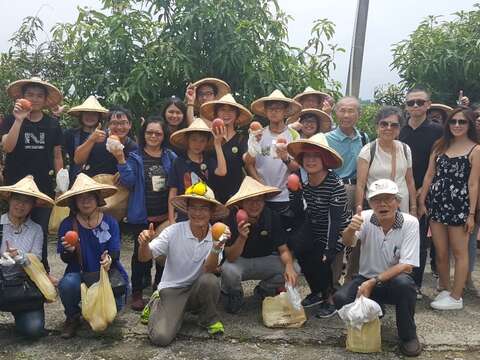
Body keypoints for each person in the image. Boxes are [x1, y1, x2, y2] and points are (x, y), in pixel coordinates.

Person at [334, 179, 422, 357]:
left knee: (405, 285)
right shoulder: (365, 218)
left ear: (397, 201)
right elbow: (348, 242)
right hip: (366, 278)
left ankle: (408, 336)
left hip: (391, 281)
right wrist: (350, 229)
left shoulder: (410, 223)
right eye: (376, 199)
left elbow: (407, 265)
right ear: (370, 203)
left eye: (388, 199)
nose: (382, 204)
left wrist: (374, 282)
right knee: (340, 298)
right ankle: (375, 311)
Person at [137, 184, 229, 346]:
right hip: (172, 290)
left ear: (212, 212)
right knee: (160, 338)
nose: (198, 213)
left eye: (203, 208)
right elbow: (144, 258)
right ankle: (156, 302)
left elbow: (209, 269)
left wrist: (216, 246)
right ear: (187, 210)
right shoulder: (173, 231)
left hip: (196, 288)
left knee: (210, 281)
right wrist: (144, 244)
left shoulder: (216, 235)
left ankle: (208, 318)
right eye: (193, 207)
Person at [418, 107, 480, 310]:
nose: (457, 125)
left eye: (462, 122)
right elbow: (429, 175)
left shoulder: (475, 150)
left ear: (469, 125)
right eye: (453, 121)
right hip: (437, 205)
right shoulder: (440, 145)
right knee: (441, 252)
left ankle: (456, 296)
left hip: (459, 207)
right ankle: (444, 287)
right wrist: (421, 201)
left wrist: (471, 214)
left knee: (460, 253)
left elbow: (473, 184)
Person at [2, 77, 65, 273]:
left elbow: (57, 155)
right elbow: (7, 147)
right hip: (16, 186)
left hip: (42, 187)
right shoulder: (11, 118)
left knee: (40, 230)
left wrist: (61, 183)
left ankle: (41, 271)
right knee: (11, 227)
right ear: (22, 97)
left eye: (39, 95)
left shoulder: (52, 124)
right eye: (30, 94)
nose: (35, 99)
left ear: (46, 100)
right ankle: (8, 271)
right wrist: (20, 119)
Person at [56, 174, 129, 338]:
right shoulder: (67, 225)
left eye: (89, 197)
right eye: (80, 198)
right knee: (67, 284)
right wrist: (70, 251)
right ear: (74, 202)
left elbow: (115, 252)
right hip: (80, 274)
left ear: (98, 199)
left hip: (106, 274)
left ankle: (90, 308)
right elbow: (65, 259)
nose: (85, 201)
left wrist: (108, 259)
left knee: (111, 313)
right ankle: (73, 316)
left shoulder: (110, 222)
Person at [116, 117, 177, 310]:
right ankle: (137, 291)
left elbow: (176, 182)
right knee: (140, 255)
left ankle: (159, 286)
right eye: (149, 132)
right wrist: (121, 162)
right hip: (142, 216)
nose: (153, 136)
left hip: (164, 216)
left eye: (158, 133)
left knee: (161, 254)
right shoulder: (135, 156)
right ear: (144, 134)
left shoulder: (170, 156)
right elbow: (129, 182)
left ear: (163, 136)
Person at [287, 133, 348, 317]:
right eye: (307, 156)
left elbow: (335, 220)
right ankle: (316, 292)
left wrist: (329, 249)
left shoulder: (335, 183)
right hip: (314, 228)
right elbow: (298, 212)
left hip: (336, 232)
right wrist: (295, 193)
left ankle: (330, 298)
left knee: (321, 258)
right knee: (299, 249)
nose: (311, 161)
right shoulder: (303, 180)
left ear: (324, 160)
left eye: (316, 157)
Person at [221, 176, 298, 314]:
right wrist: (242, 237)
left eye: (258, 200)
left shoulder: (271, 216)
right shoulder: (231, 219)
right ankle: (234, 293)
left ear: (264, 201)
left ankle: (265, 289)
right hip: (240, 261)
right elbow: (231, 257)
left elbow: (283, 249)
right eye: (249, 200)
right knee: (228, 270)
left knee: (295, 268)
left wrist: (289, 266)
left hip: (264, 260)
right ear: (241, 203)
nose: (254, 204)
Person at [399, 87, 443, 299]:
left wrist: (421, 193)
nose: (415, 106)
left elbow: (437, 165)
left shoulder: (438, 131)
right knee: (395, 235)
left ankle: (414, 284)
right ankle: (395, 280)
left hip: (425, 192)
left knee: (418, 240)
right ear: (406, 107)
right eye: (411, 103)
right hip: (398, 190)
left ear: (428, 104)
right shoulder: (399, 129)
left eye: (419, 102)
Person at [0, 176, 55, 338]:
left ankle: (21, 315)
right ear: (9, 200)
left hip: (23, 287)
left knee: (33, 329)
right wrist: (8, 259)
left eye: (27, 201)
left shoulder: (36, 230)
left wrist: (18, 257)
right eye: (17, 199)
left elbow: (35, 261)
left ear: (33, 205)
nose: (20, 205)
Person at [326, 96, 369, 283]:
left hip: (358, 189)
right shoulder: (327, 139)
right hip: (335, 188)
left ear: (358, 114)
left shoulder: (364, 138)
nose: (346, 115)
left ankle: (352, 279)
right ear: (336, 113)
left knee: (358, 233)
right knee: (336, 235)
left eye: (351, 111)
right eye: (342, 110)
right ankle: (333, 281)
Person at [245, 90, 301, 224]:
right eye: (271, 108)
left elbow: (297, 167)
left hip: (285, 197)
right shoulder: (259, 134)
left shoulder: (294, 136)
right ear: (266, 111)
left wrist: (285, 158)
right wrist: (261, 185)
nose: (274, 111)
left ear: (285, 111)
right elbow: (249, 163)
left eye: (278, 108)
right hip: (261, 199)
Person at [356, 106, 416, 215]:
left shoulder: (405, 149)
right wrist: (358, 211)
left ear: (399, 129)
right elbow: (360, 185)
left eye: (394, 125)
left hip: (401, 206)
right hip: (377, 205)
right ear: (377, 127)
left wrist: (413, 208)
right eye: (384, 124)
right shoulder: (368, 150)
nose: (389, 128)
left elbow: (410, 181)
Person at [167, 118, 226, 223]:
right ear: (187, 140)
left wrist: (217, 144)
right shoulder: (179, 162)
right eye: (193, 139)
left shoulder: (209, 161)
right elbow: (173, 191)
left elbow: (222, 171)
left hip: (206, 213)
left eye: (202, 140)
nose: (197, 144)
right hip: (185, 213)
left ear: (207, 142)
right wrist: (171, 219)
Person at [200, 93, 252, 203]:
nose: (226, 114)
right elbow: (218, 171)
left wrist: (254, 144)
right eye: (222, 110)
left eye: (231, 110)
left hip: (236, 196)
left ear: (237, 115)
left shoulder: (241, 139)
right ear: (216, 114)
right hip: (212, 196)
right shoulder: (209, 139)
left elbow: (246, 159)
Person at [74, 106, 138, 177]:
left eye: (123, 123)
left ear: (130, 125)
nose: (119, 127)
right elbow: (78, 160)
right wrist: (91, 140)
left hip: (118, 186)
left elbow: (134, 175)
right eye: (114, 123)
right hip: (92, 184)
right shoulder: (98, 137)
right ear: (109, 125)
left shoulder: (133, 147)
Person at [64, 96, 109, 183]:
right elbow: (75, 160)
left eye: (94, 114)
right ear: (81, 115)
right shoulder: (70, 134)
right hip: (77, 181)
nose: (90, 117)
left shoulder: (105, 135)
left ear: (99, 116)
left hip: (99, 181)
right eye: (86, 113)